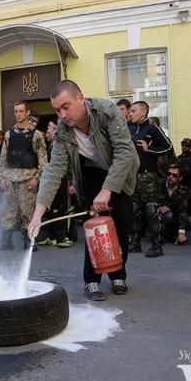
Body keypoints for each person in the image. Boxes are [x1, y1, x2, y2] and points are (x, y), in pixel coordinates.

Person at [28, 80, 139, 301]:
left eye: (65, 107)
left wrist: (108, 190)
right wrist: (38, 214)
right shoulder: (63, 130)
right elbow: (54, 169)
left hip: (121, 170)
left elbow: (125, 152)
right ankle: (91, 281)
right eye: (57, 110)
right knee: (94, 227)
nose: (61, 115)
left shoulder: (107, 111)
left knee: (122, 226)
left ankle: (118, 274)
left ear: (81, 98)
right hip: (91, 175)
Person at [0, 101, 48, 251]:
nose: (18, 114)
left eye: (21, 111)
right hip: (10, 179)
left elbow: (43, 161)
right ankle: (6, 241)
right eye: (16, 111)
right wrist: (2, 178)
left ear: (27, 113)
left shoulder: (36, 135)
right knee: (8, 211)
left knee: (28, 212)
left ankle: (29, 241)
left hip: (28, 179)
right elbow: (2, 158)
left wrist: (36, 179)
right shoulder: (8, 135)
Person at [127, 101, 172, 253]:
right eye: (130, 111)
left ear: (143, 113)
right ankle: (135, 243)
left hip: (148, 176)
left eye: (133, 111)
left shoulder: (152, 128)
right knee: (134, 211)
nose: (130, 113)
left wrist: (149, 149)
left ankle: (157, 246)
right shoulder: (131, 128)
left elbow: (168, 146)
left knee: (151, 211)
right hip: (134, 176)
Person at [36, 120, 73, 248]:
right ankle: (49, 237)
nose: (48, 131)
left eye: (51, 128)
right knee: (50, 209)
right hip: (51, 182)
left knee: (60, 210)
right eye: (48, 127)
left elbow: (70, 165)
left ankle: (60, 237)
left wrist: (72, 182)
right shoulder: (48, 146)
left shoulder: (60, 145)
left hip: (61, 181)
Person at [144, 164, 191, 258]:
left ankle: (170, 234)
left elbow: (183, 210)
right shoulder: (159, 184)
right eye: (168, 174)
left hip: (173, 215)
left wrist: (181, 233)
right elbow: (150, 200)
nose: (170, 177)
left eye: (174, 175)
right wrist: (160, 206)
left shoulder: (183, 190)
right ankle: (158, 235)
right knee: (166, 214)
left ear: (180, 178)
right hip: (158, 213)